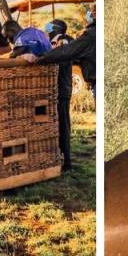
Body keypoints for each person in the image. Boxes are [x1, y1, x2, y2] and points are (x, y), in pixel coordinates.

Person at [44, 19, 75, 170]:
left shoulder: (64, 41)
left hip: (62, 89)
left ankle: (67, 161)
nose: (46, 28)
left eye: (49, 26)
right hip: (57, 88)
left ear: (56, 28)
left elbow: (61, 62)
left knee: (63, 125)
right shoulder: (56, 42)